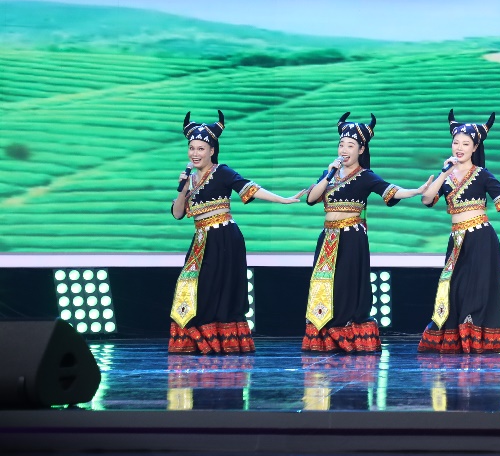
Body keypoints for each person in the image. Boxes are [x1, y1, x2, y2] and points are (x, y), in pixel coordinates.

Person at [417, 110, 500, 353]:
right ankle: (456, 338)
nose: (459, 148)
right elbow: (427, 199)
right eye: (456, 142)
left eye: (465, 144)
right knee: (453, 289)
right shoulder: (446, 176)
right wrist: (444, 173)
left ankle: (475, 340)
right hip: (457, 240)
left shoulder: (482, 175)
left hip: (481, 238)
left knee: (476, 291)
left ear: (474, 147)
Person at [169, 111, 301, 354]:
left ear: (212, 150)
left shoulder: (222, 172)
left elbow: (249, 188)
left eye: (201, 149)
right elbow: (178, 214)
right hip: (200, 239)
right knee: (189, 286)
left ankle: (219, 341)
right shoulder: (191, 180)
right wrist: (183, 188)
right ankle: (199, 340)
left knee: (217, 289)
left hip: (223, 238)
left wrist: (282, 199)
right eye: (192, 148)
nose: (195, 153)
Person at [302, 112, 427, 353]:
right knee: (324, 284)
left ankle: (346, 330)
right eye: (341, 144)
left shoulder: (365, 176)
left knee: (346, 284)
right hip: (328, 237)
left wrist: (415, 191)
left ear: (361, 149)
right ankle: (324, 328)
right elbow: (311, 199)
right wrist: (328, 175)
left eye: (350, 145)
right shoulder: (329, 174)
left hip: (351, 237)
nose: (344, 149)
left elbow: (391, 191)